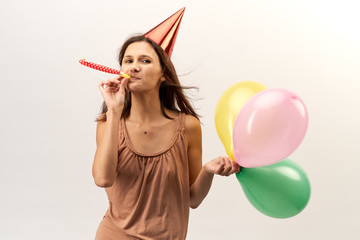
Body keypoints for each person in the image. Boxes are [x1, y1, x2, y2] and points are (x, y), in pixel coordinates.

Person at [92, 8, 240, 240]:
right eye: (128, 60)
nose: (134, 66)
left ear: (163, 74)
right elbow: (102, 179)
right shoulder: (108, 123)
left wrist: (208, 171)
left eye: (145, 60)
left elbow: (192, 198)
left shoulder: (188, 126)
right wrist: (113, 109)